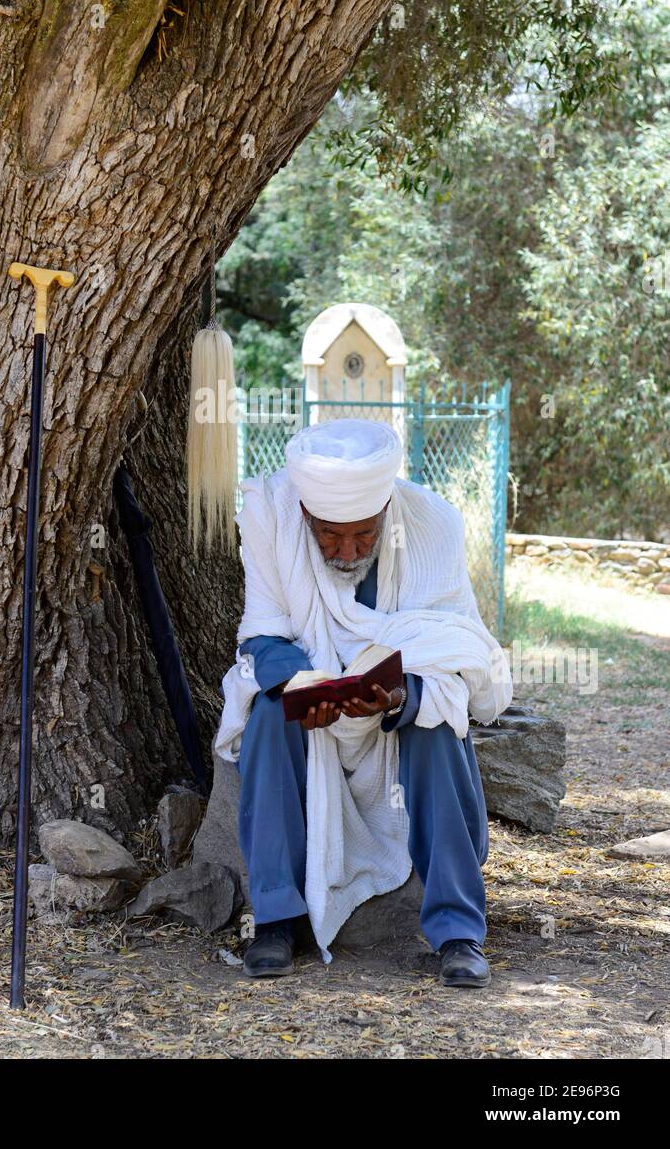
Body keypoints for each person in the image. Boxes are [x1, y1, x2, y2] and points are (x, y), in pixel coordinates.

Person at [213, 418, 513, 986]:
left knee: (435, 718)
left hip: (403, 688)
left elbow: (453, 643)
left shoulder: (432, 523)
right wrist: (307, 686)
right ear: (305, 515)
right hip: (313, 691)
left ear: (386, 513)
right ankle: (276, 921)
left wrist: (396, 697)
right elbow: (261, 632)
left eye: (363, 536)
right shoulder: (270, 514)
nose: (347, 552)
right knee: (269, 719)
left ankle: (458, 932)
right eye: (330, 537)